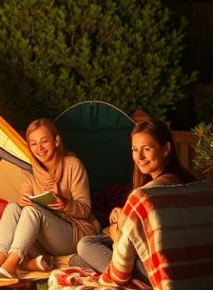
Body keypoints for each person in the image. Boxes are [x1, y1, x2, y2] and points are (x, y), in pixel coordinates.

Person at [71, 117, 197, 277]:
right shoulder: (186, 181)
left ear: (166, 149)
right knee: (83, 255)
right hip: (171, 258)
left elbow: (126, 242)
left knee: (85, 246)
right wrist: (122, 215)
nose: (140, 157)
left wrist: (114, 228)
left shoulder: (150, 191)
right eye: (135, 149)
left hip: (159, 266)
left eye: (147, 149)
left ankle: (126, 280)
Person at [0, 118, 100, 280]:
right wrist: (23, 201)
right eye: (33, 143)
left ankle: (11, 266)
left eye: (44, 142)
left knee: (31, 211)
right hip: (42, 238)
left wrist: (64, 203)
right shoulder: (29, 169)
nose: (39, 148)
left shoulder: (72, 165)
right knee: (13, 207)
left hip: (73, 232)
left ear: (56, 141)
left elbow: (85, 209)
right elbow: (23, 210)